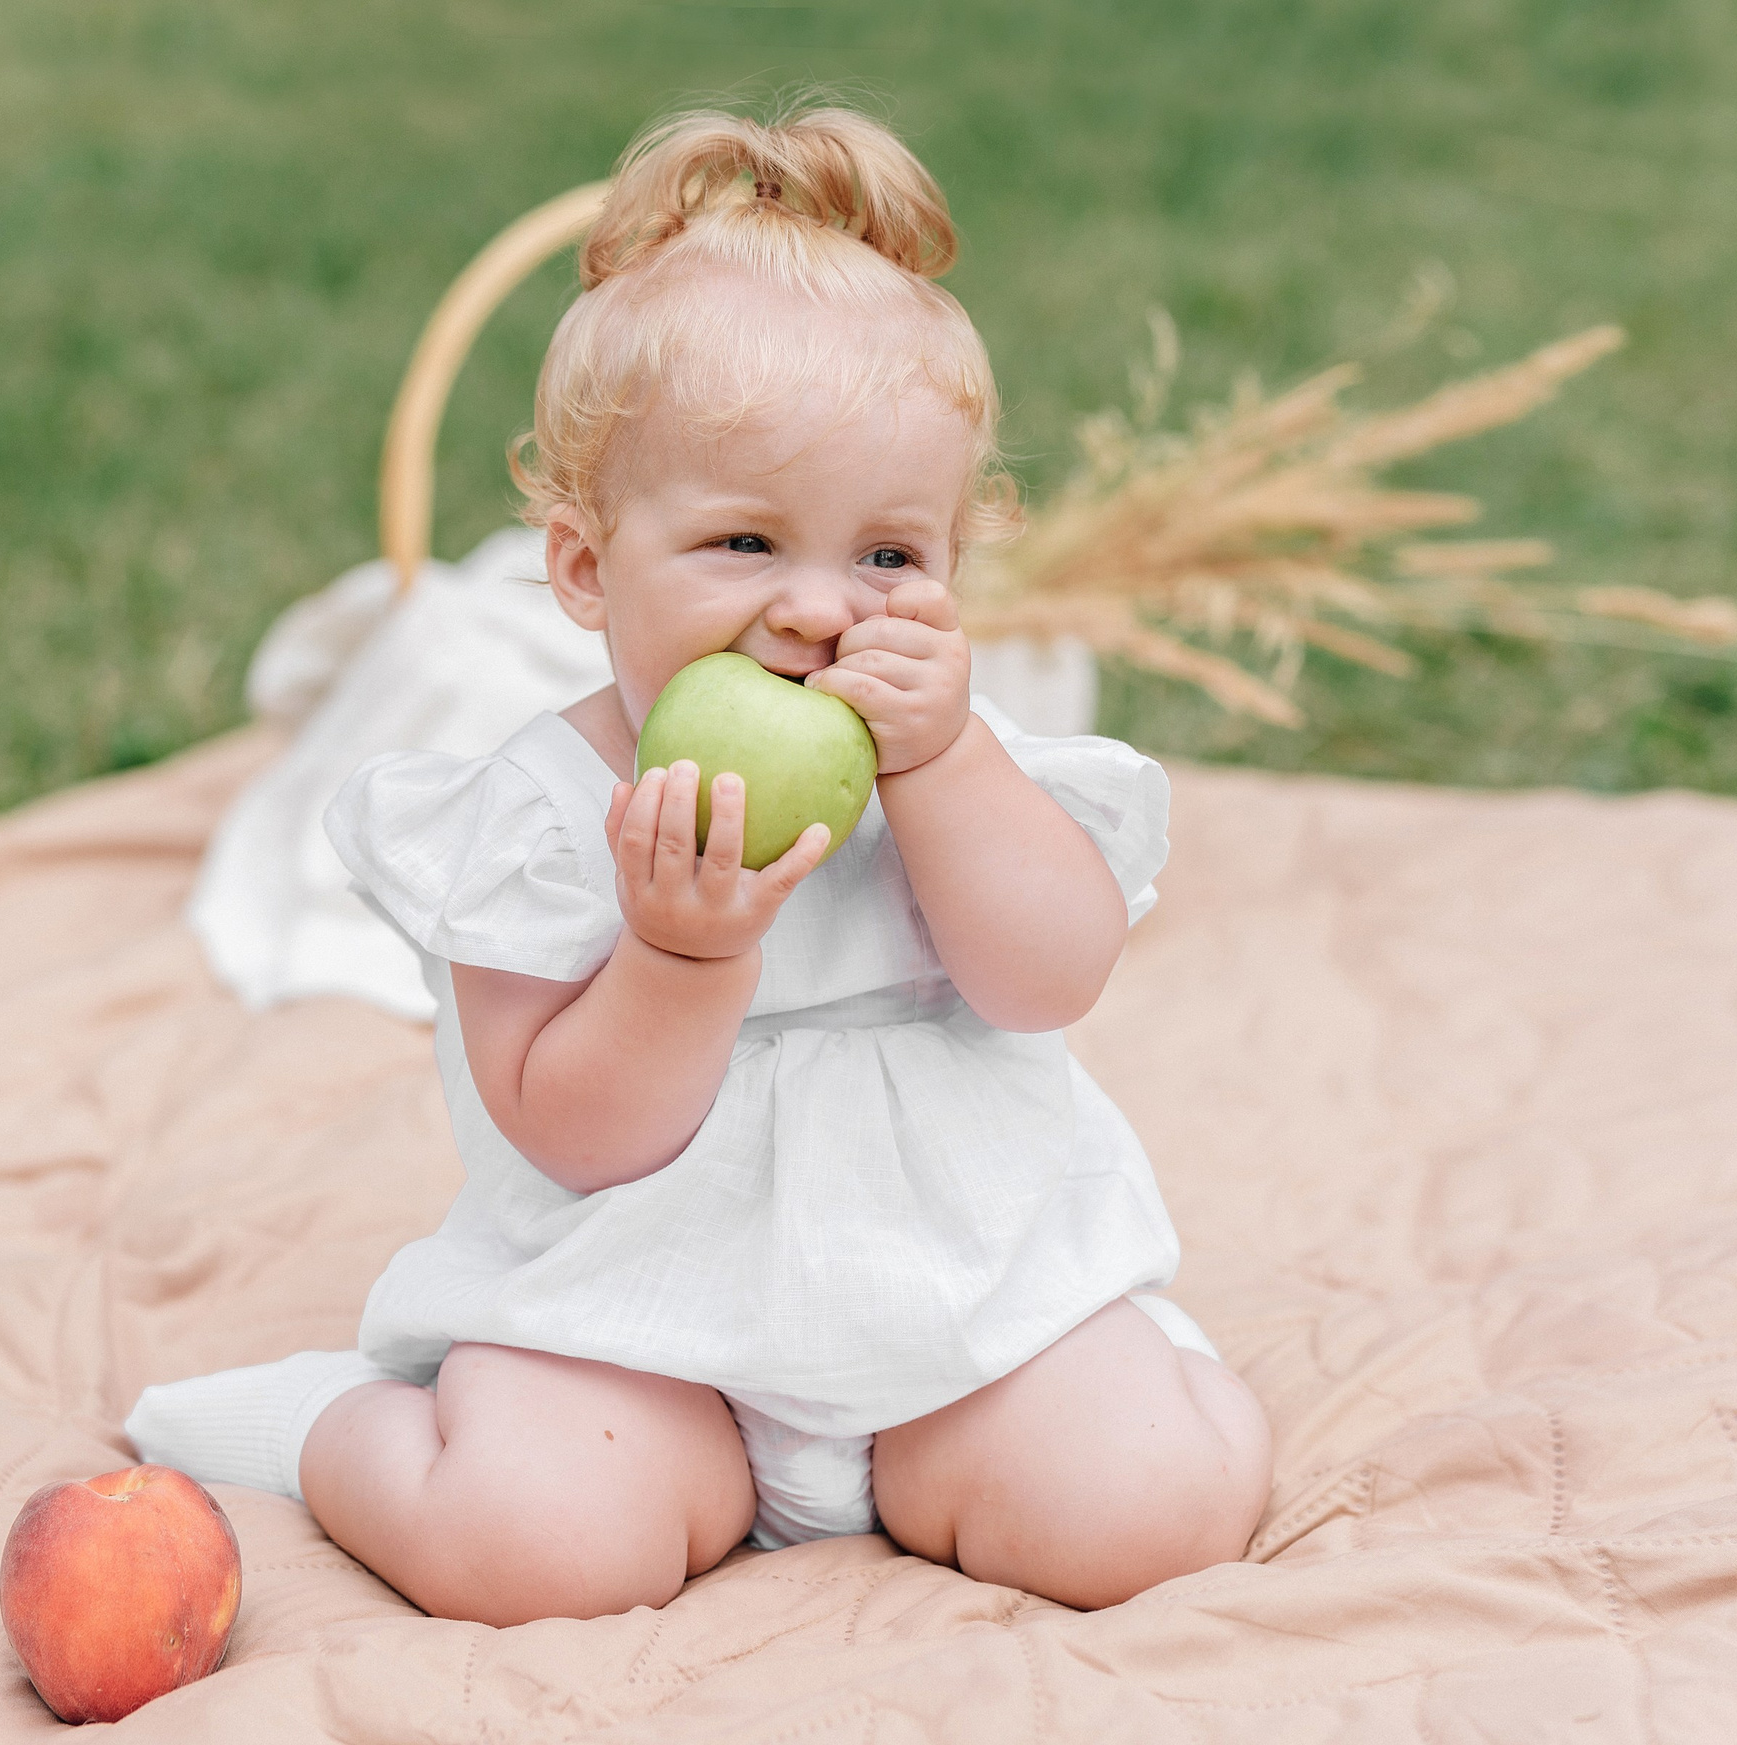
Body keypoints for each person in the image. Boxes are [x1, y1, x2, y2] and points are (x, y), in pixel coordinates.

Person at [130, 103, 1272, 1626]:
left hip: (956, 1298)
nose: (817, 608)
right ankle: (328, 1426)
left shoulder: (953, 755)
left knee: (1152, 1513)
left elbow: (1048, 975)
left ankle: (1144, 1369)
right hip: (637, 1322)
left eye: (887, 555)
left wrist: (948, 767)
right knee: (531, 1550)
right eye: (744, 544)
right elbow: (572, 1134)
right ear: (588, 567)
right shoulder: (541, 815)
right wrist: (681, 955)